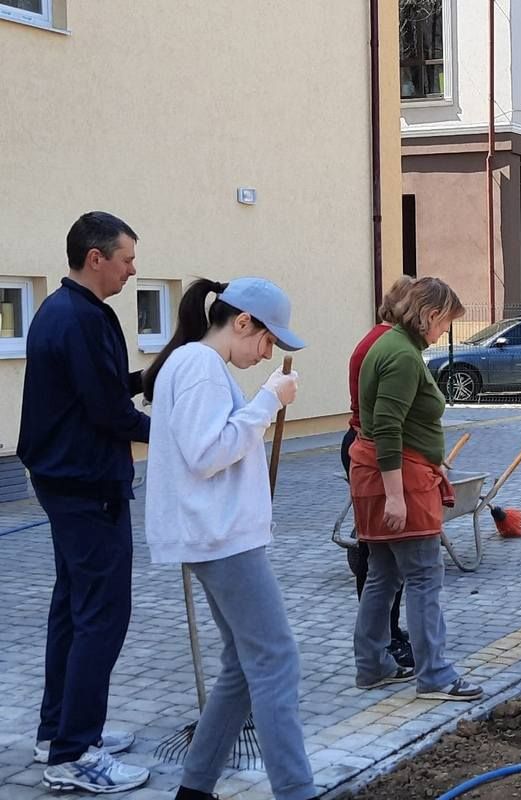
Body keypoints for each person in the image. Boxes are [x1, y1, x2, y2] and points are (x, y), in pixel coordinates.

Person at [141, 278, 316, 800]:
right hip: (221, 538)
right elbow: (206, 453)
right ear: (242, 322)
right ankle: (297, 791)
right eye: (267, 340)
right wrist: (266, 401)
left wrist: (259, 403)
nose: (268, 353)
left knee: (243, 664)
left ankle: (194, 790)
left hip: (215, 536)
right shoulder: (199, 367)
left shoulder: (193, 364)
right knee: (276, 659)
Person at [17, 212, 151, 793]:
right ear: (95, 258)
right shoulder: (80, 318)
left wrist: (148, 378)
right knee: (102, 615)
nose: (132, 269)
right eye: (126, 259)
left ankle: (59, 730)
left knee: (73, 608)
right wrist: (184, 434)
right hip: (87, 485)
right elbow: (105, 412)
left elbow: (98, 388)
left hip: (65, 480)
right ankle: (74, 756)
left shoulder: (64, 310)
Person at [351, 276, 482, 701]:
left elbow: (392, 422)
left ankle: (372, 665)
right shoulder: (402, 356)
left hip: (382, 472)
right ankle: (436, 675)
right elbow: (386, 427)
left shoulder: (384, 343)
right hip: (401, 480)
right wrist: (394, 496)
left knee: (383, 575)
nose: (445, 331)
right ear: (428, 314)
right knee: (425, 576)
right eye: (445, 321)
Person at [343, 282, 414, 672]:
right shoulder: (386, 345)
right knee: (380, 556)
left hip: (368, 446)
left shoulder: (382, 339)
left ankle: (388, 635)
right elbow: (386, 422)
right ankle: (383, 640)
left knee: (384, 557)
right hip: (374, 452)